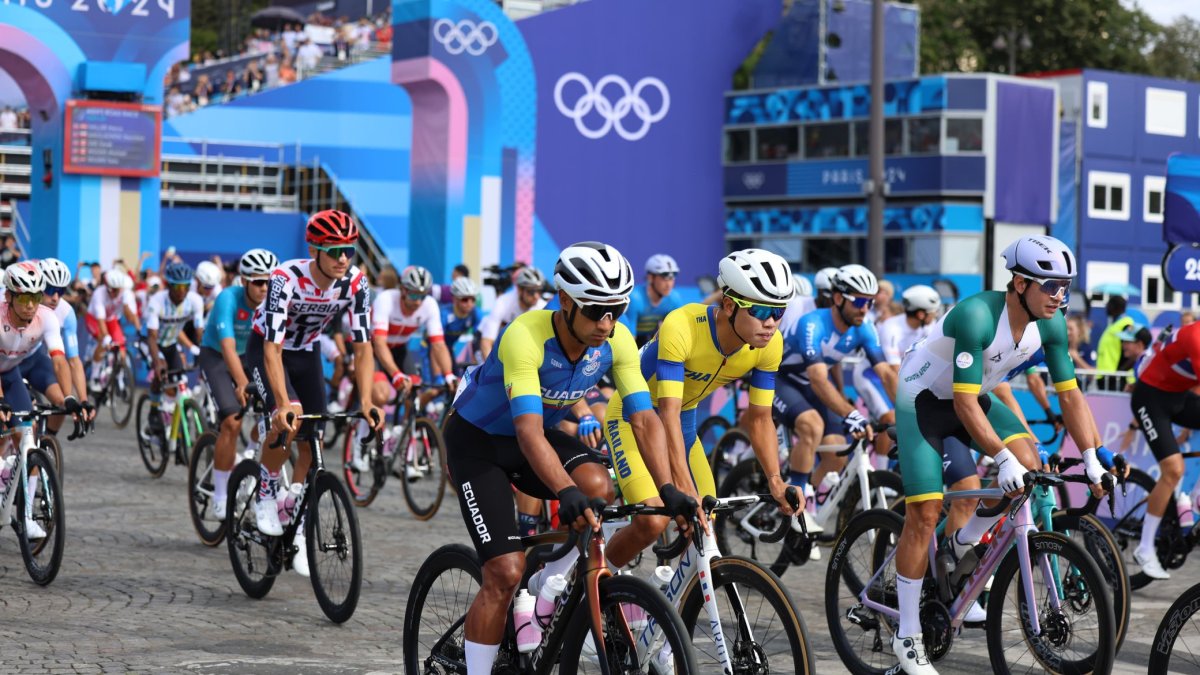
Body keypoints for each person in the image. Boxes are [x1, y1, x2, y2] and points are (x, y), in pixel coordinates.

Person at [445, 241, 696, 675]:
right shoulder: (526, 335)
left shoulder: (614, 340)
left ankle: (549, 583)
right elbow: (525, 431)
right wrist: (564, 490)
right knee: (504, 572)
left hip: (535, 435)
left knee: (599, 486)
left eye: (616, 309)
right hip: (477, 441)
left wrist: (669, 487)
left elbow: (644, 419)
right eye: (596, 310)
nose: (607, 322)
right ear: (564, 300)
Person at [889, 235, 1109, 673]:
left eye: (1065, 285)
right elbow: (963, 404)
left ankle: (963, 544)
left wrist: (1092, 456)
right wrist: (1000, 458)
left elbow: (1070, 395)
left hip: (973, 397)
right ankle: (907, 634)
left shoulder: (1051, 322)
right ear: (1020, 282)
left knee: (1031, 466)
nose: (1059, 295)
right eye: (1050, 286)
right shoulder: (976, 315)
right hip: (924, 401)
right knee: (926, 512)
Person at [598, 248, 799, 571]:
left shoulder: (769, 345)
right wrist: (682, 486)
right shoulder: (683, 325)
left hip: (684, 420)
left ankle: (672, 609)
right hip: (632, 415)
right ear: (730, 305)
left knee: (706, 522)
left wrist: (775, 480)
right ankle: (591, 584)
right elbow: (667, 413)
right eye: (762, 310)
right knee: (653, 523)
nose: (772, 323)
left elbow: (760, 418)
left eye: (779, 311)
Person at [246, 210, 382, 578]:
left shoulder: (355, 283)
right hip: (267, 350)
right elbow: (272, 350)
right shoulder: (284, 279)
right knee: (289, 421)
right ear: (315, 248)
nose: (343, 258)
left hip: (306, 353)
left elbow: (363, 347)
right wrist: (282, 403)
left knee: (313, 437)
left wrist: (366, 401)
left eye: (349, 251)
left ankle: (293, 508)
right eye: (335, 249)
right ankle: (265, 492)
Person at [775, 264, 895, 536]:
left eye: (870, 302)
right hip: (783, 380)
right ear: (838, 298)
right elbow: (818, 378)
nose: (865, 309)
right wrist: (850, 412)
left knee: (838, 451)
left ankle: (807, 496)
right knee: (812, 426)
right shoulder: (812, 323)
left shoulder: (865, 328)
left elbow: (886, 373)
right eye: (860, 301)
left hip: (811, 385)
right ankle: (796, 504)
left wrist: (908, 412)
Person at [0, 262, 81, 538]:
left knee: (28, 436)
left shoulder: (47, 317)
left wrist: (69, 398)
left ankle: (25, 516)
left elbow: (59, 361)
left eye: (36, 297)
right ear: (9, 297)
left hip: (10, 373)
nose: (31, 305)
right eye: (24, 298)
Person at [349, 265, 455, 473]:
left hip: (400, 349)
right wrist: (396, 375)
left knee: (414, 394)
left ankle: (402, 445)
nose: (417, 301)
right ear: (403, 290)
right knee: (379, 395)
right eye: (413, 294)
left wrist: (449, 374)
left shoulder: (429, 305)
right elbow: (378, 343)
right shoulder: (386, 299)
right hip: (375, 349)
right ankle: (359, 445)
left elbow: (439, 344)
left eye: (422, 295)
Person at [197, 248, 277, 519]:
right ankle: (221, 494)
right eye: (258, 282)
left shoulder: (274, 302)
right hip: (217, 355)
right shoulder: (227, 299)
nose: (264, 288)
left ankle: (250, 453)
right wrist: (243, 383)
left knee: (275, 413)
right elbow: (228, 347)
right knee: (232, 420)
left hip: (249, 356)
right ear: (243, 281)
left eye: (269, 282)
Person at [142, 262, 206, 435]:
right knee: (160, 371)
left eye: (186, 286)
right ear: (169, 285)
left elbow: (200, 332)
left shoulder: (194, 301)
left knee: (180, 379)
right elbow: (152, 337)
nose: (182, 291)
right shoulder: (157, 302)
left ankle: (172, 414)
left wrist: (205, 353)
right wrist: (157, 362)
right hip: (151, 342)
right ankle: (154, 411)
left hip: (170, 343)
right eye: (178, 286)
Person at [34, 259, 94, 433]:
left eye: (60, 291)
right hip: (14, 361)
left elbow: (73, 361)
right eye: (51, 290)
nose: (55, 298)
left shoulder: (66, 313)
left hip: (40, 363)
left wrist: (83, 400)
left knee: (62, 402)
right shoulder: (25, 305)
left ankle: (46, 443)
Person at [86, 268, 142, 391]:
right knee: (103, 341)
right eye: (115, 290)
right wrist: (106, 338)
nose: (118, 293)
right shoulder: (99, 294)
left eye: (119, 289)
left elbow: (130, 314)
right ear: (108, 288)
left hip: (111, 319)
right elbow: (101, 322)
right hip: (94, 319)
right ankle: (94, 377)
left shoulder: (124, 292)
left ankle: (119, 378)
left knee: (121, 345)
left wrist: (139, 330)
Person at [478, 266, 546, 360]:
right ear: (519, 289)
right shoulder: (503, 302)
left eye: (539, 291)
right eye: (531, 291)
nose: (536, 296)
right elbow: (487, 342)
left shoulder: (542, 307)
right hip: (494, 343)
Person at [621, 254, 684, 347]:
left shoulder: (675, 298)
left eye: (672, 278)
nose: (669, 284)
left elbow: (680, 335)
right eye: (664, 277)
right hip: (632, 339)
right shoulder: (635, 298)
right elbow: (629, 340)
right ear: (650, 278)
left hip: (652, 339)